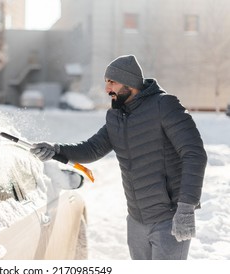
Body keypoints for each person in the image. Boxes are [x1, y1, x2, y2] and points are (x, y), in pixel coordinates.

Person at [30, 55, 207, 260]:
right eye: (106, 82)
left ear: (130, 83)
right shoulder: (116, 116)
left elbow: (194, 154)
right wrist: (57, 150)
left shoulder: (164, 105)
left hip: (169, 219)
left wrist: (186, 207)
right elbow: (92, 149)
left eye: (112, 82)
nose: (107, 89)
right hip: (136, 221)